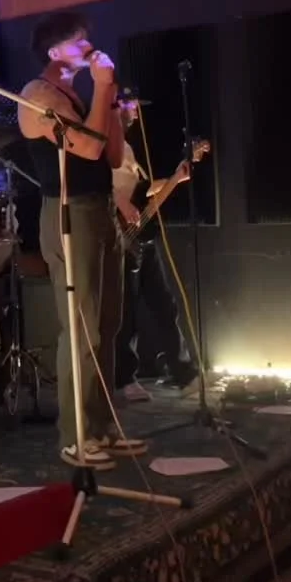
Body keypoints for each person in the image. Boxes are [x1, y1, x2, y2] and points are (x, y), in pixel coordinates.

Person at [19, 11, 144, 472]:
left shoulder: (78, 92)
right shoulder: (38, 95)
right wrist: (104, 88)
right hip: (69, 213)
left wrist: (110, 103)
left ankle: (103, 425)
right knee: (82, 327)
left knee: (107, 323)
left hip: (100, 208)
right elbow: (86, 149)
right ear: (55, 53)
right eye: (78, 41)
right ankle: (76, 435)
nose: (88, 45)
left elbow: (110, 155)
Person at [112, 97, 200, 398]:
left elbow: (141, 191)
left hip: (142, 235)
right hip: (118, 235)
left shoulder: (126, 148)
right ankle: (124, 379)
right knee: (126, 313)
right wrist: (121, 204)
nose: (136, 112)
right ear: (115, 106)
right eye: (130, 105)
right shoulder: (101, 145)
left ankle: (183, 372)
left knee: (165, 304)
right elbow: (97, 186)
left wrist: (176, 178)